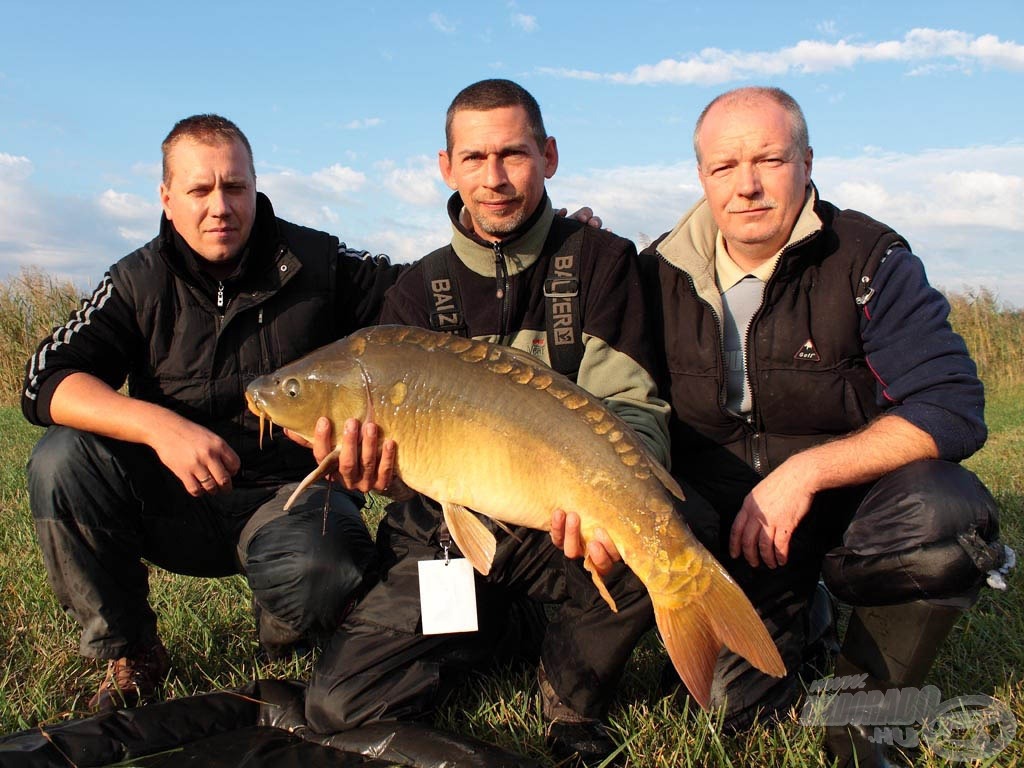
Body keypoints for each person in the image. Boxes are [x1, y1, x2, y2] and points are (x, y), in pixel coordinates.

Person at [558, 86, 1006, 766]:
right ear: (701, 176)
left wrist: (807, 473)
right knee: (727, 709)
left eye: (769, 159)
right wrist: (566, 244)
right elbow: (567, 360)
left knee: (945, 516)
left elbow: (950, 403)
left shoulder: (867, 258)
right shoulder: (653, 274)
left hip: (842, 507)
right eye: (724, 167)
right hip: (727, 529)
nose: (747, 186)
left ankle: (869, 720)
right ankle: (804, 612)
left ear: (807, 161)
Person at [301, 78, 678, 767]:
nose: (495, 178)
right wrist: (379, 479)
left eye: (513, 154)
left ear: (550, 156)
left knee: (671, 527)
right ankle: (496, 633)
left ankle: (572, 704)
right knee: (340, 708)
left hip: (561, 521)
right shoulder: (416, 290)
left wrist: (612, 499)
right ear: (446, 167)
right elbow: (403, 470)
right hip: (448, 530)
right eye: (474, 158)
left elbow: (635, 406)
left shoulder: (601, 263)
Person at [21, 114, 403, 712]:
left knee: (318, 569)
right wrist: (160, 426)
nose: (219, 206)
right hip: (176, 502)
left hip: (292, 496)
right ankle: (132, 649)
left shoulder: (320, 262)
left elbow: (430, 293)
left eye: (234, 187)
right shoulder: (135, 279)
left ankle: (287, 629)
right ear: (168, 198)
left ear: (256, 186)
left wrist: (558, 247)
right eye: (200, 190)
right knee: (61, 461)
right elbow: (44, 379)